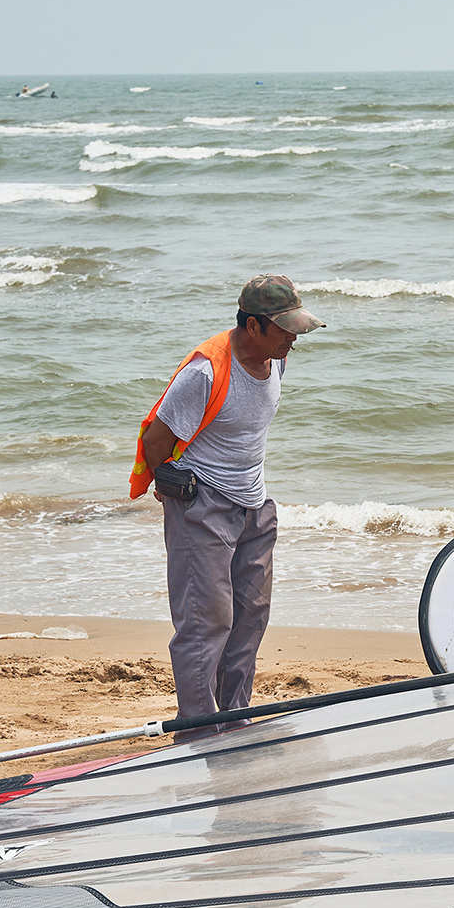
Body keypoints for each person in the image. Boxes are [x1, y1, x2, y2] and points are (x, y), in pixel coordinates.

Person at [131, 276, 325, 719]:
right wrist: (175, 492)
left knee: (250, 616)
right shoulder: (203, 373)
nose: (294, 338)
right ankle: (199, 727)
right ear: (253, 326)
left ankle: (234, 717)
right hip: (204, 507)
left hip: (254, 505)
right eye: (285, 328)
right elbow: (156, 442)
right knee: (205, 623)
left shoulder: (275, 359)